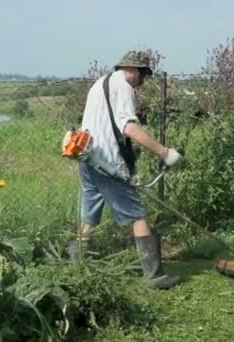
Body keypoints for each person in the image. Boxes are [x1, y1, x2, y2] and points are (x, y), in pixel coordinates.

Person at [68, 50, 183, 289]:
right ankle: (154, 276)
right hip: (107, 163)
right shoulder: (124, 87)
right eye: (143, 75)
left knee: (89, 215)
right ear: (133, 70)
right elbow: (128, 128)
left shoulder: (99, 83)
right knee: (137, 214)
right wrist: (164, 152)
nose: (143, 81)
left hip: (87, 156)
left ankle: (75, 268)